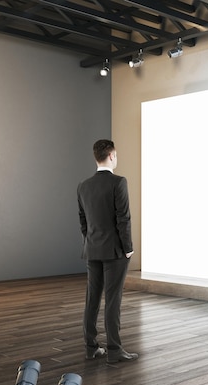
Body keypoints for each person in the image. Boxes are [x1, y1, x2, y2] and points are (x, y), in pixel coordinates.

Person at [77, 139, 138, 363]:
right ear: (111, 156)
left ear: (96, 157)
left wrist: (90, 241)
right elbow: (124, 218)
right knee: (113, 299)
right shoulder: (118, 182)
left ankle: (91, 347)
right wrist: (128, 248)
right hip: (115, 251)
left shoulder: (83, 185)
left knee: (92, 298)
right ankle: (114, 350)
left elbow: (82, 221)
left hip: (92, 249)